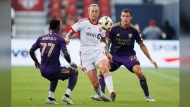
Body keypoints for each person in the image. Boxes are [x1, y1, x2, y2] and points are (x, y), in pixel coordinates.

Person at [90, 8, 158, 102]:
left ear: (131, 18)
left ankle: (147, 97)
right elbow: (107, 42)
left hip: (129, 56)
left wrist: (150, 59)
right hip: (115, 56)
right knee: (103, 69)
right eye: (123, 16)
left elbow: (142, 45)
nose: (125, 18)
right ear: (121, 17)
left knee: (139, 72)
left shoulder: (134, 30)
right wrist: (106, 53)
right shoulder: (114, 28)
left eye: (127, 16)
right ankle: (101, 95)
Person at [65, 4, 116, 102]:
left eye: (96, 11)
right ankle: (100, 95)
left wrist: (107, 52)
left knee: (104, 68)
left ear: (98, 12)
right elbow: (70, 32)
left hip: (98, 50)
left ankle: (111, 91)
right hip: (86, 54)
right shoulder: (82, 22)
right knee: (95, 84)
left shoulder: (102, 24)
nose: (94, 13)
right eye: (92, 11)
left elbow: (103, 39)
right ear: (89, 12)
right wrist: (67, 38)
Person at [29, 19, 78, 105]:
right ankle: (66, 96)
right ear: (59, 27)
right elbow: (65, 54)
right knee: (74, 72)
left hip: (43, 70)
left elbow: (31, 50)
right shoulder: (60, 39)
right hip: (54, 70)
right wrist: (71, 63)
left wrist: (36, 62)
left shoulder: (41, 38)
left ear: (49, 27)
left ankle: (50, 98)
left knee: (54, 77)